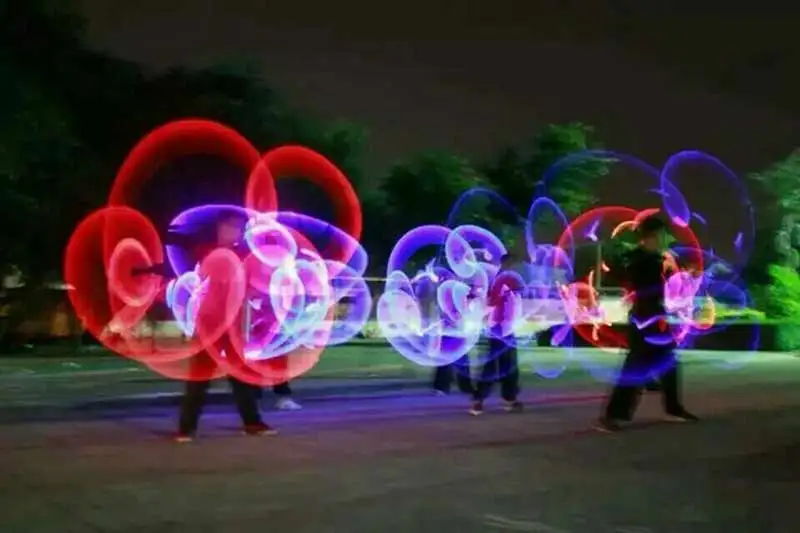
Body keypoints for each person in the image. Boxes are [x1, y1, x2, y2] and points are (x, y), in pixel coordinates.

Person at [135, 211, 276, 442]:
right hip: (209, 323)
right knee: (200, 375)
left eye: (236, 228)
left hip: (231, 325)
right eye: (228, 227)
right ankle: (186, 428)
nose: (232, 232)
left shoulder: (242, 256)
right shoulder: (209, 253)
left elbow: (249, 288)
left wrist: (253, 299)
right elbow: (199, 276)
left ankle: (252, 422)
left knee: (239, 375)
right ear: (220, 229)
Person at [595, 215, 698, 432]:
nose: (666, 239)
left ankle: (673, 408)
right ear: (653, 236)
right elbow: (637, 283)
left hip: (656, 319)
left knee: (668, 364)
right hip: (644, 321)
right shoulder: (640, 260)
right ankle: (613, 416)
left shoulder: (653, 259)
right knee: (634, 369)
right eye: (663, 234)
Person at [470, 254, 524, 415]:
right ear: (508, 263)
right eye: (514, 264)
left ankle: (502, 399)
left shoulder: (503, 279)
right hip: (501, 330)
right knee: (498, 366)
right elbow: (492, 302)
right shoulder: (503, 279)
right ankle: (483, 400)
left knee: (501, 365)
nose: (516, 268)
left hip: (502, 329)